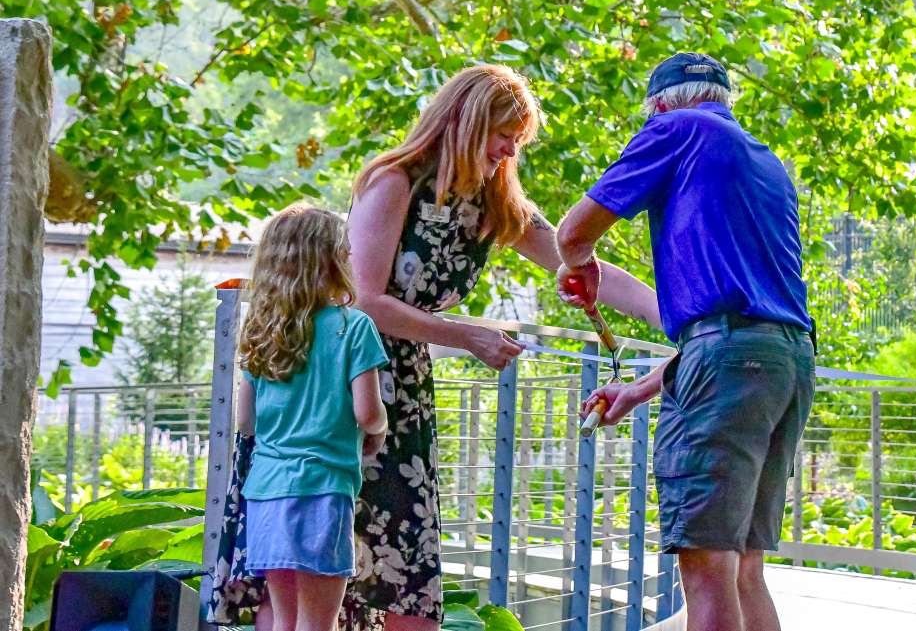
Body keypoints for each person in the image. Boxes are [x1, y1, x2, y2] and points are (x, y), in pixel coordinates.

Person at [341, 63, 660, 629]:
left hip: (407, 382)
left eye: (519, 141)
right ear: (465, 123)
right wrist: (466, 336)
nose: (510, 152)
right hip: (351, 377)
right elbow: (366, 302)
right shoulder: (395, 181)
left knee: (405, 554)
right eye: (504, 137)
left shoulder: (494, 201)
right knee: (349, 546)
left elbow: (578, 260)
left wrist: (673, 315)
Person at [556, 53, 817, 631]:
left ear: (657, 106)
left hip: (732, 362)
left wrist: (580, 264)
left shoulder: (676, 128)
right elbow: (739, 329)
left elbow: (572, 233)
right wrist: (642, 389)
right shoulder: (765, 162)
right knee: (745, 567)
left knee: (706, 567)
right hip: (787, 362)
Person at [234, 204, 391, 631]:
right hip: (323, 487)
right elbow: (368, 411)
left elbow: (245, 422)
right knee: (318, 623)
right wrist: (379, 429)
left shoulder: (261, 331)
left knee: (284, 621)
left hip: (266, 491)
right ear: (334, 261)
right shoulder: (353, 327)